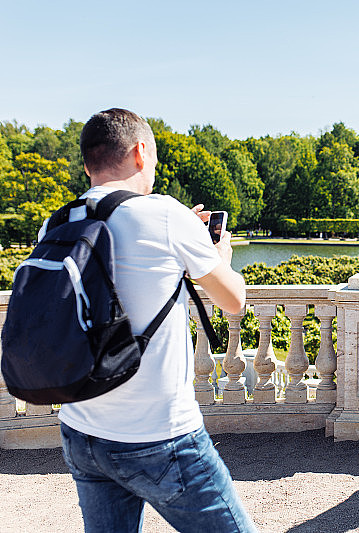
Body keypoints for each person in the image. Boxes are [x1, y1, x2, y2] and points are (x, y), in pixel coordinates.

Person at [49, 109, 257, 532]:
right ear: (141, 153)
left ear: (88, 163)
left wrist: (181, 239)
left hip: (80, 430)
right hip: (158, 435)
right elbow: (234, 301)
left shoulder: (58, 221)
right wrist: (217, 254)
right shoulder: (165, 213)